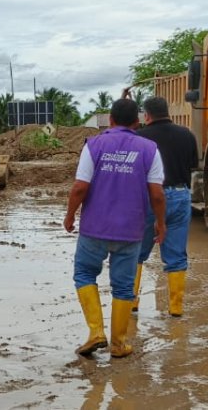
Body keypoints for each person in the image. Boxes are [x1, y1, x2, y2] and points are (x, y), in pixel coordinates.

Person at [64, 98, 166, 358]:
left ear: (110, 119)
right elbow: (156, 194)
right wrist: (160, 222)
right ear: (137, 122)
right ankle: (119, 344)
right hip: (131, 231)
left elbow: (80, 187)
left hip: (94, 229)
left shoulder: (94, 144)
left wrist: (69, 216)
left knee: (85, 274)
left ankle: (96, 332)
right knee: (123, 286)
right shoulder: (149, 149)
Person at [134, 96, 199, 317]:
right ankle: (176, 308)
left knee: (136, 253)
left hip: (148, 197)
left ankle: (131, 303)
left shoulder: (140, 138)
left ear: (146, 115)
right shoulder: (187, 135)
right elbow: (192, 165)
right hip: (180, 196)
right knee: (176, 255)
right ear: (168, 112)